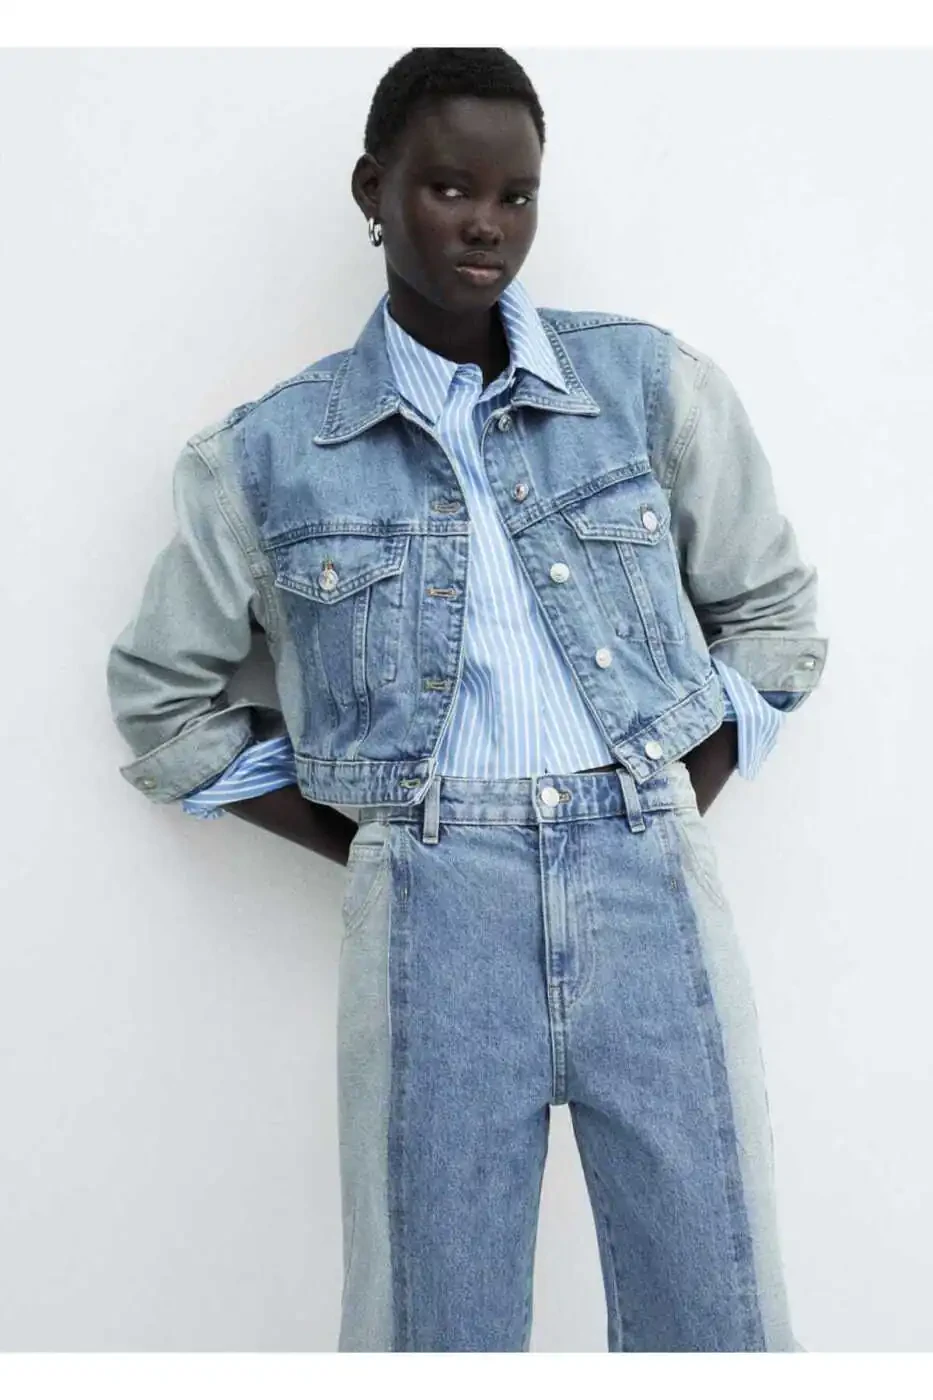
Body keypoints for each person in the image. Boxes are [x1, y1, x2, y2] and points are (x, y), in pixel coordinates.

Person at [106, 47, 827, 1352]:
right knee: (430, 1326)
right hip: (431, 912)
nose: (486, 223)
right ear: (373, 191)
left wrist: (673, 798)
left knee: (717, 1309)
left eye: (516, 194)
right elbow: (164, 706)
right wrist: (379, 839)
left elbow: (775, 622)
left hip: (648, 883)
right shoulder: (266, 458)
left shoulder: (648, 389)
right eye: (448, 188)